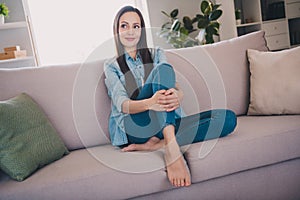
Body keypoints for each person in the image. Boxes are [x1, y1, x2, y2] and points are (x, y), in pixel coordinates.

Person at [104, 5, 237, 187]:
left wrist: (178, 96)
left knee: (227, 119)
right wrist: (151, 103)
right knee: (162, 69)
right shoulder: (111, 66)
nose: (130, 32)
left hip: (162, 122)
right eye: (124, 26)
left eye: (136, 26)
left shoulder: (156, 54)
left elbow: (173, 87)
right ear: (117, 30)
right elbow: (123, 104)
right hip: (135, 125)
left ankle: (159, 144)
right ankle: (172, 149)